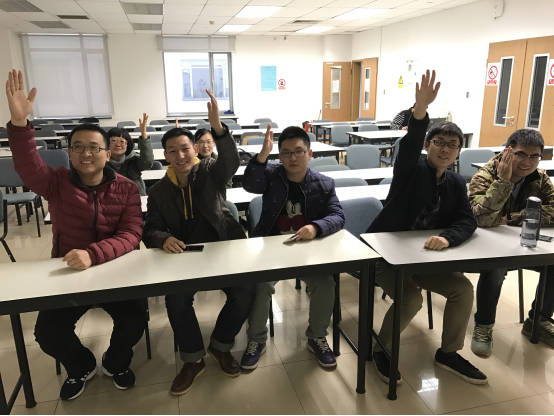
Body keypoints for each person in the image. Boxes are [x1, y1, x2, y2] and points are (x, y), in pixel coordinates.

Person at [5, 70, 145, 401]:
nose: (86, 153)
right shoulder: (56, 182)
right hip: (69, 271)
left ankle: (115, 363)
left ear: (108, 154)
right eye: (78, 147)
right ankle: (81, 365)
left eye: (94, 147)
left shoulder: (126, 188)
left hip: (115, 269)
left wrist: (93, 254)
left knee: (135, 320)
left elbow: (131, 233)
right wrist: (20, 124)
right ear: (69, 152)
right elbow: (27, 165)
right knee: (48, 332)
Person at [368, 70, 487, 386]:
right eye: (439, 143)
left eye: (453, 145)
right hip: (383, 255)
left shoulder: (456, 183)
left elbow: (467, 220)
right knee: (411, 300)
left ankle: (448, 353)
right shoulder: (411, 170)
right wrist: (420, 109)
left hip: (420, 259)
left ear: (459, 151)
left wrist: (448, 237)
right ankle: (382, 347)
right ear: (428, 145)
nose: (445, 150)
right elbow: (408, 147)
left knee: (462, 289)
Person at [142, 90, 254, 396]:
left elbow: (231, 160)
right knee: (176, 300)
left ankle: (220, 345)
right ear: (165, 155)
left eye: (185, 149)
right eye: (173, 151)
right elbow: (150, 229)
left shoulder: (210, 172)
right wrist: (163, 238)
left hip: (221, 249)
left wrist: (218, 129)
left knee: (244, 291)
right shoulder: (158, 192)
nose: (180, 156)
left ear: (195, 150)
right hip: (184, 257)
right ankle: (192, 359)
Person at [239, 125, 345, 371]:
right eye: (286, 153)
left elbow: (338, 216)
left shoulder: (324, 183)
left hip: (307, 251)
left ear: (310, 154)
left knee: (326, 284)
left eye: (298, 151)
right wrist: (262, 156)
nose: (292, 158)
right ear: (280, 156)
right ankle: (256, 340)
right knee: (260, 285)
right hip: (269, 250)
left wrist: (316, 227)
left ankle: (317, 336)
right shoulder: (271, 175)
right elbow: (249, 185)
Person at [468, 130, 554, 356]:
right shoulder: (485, 175)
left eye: (534, 157)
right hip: (485, 246)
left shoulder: (539, 178)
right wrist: (503, 181)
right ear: (507, 151)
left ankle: (538, 322)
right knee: (496, 267)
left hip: (520, 244)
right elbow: (482, 218)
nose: (527, 162)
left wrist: (513, 217)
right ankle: (483, 326)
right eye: (521, 154)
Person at [107, 114, 154, 196]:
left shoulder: (132, 160)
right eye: (113, 140)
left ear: (127, 145)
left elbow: (147, 162)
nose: (118, 144)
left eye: (122, 141)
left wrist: (144, 135)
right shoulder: (100, 162)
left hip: (134, 198)